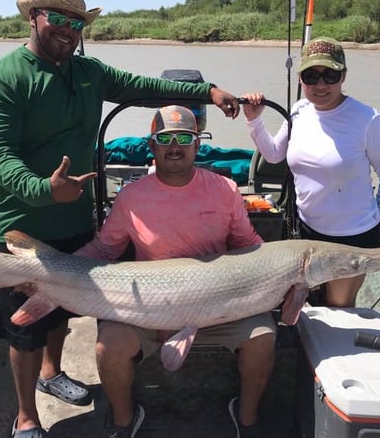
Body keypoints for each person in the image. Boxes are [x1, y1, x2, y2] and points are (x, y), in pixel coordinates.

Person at [0, 0, 240, 438]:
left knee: (62, 308)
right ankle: (26, 416)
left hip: (76, 218)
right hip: (22, 224)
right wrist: (42, 189)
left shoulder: (89, 72)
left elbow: (144, 87)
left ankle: (52, 372)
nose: (66, 29)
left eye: (75, 22)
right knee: (26, 331)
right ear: (33, 17)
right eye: (56, 17)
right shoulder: (1, 81)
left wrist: (210, 92)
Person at [75, 106, 276, 438]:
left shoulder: (226, 189)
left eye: (184, 138)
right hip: (149, 309)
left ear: (198, 145)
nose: (175, 147)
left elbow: (250, 245)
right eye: (164, 139)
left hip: (218, 306)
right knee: (108, 345)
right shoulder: (131, 197)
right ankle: (124, 422)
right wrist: (51, 270)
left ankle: (248, 419)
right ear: (151, 147)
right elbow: (102, 251)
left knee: (263, 337)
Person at [242, 36, 380, 307]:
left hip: (352, 238)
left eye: (330, 75)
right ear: (301, 79)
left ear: (344, 76)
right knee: (310, 305)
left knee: (337, 309)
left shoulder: (369, 120)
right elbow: (273, 154)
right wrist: (253, 119)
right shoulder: (299, 111)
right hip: (307, 231)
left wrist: (375, 221)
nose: (320, 84)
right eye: (311, 75)